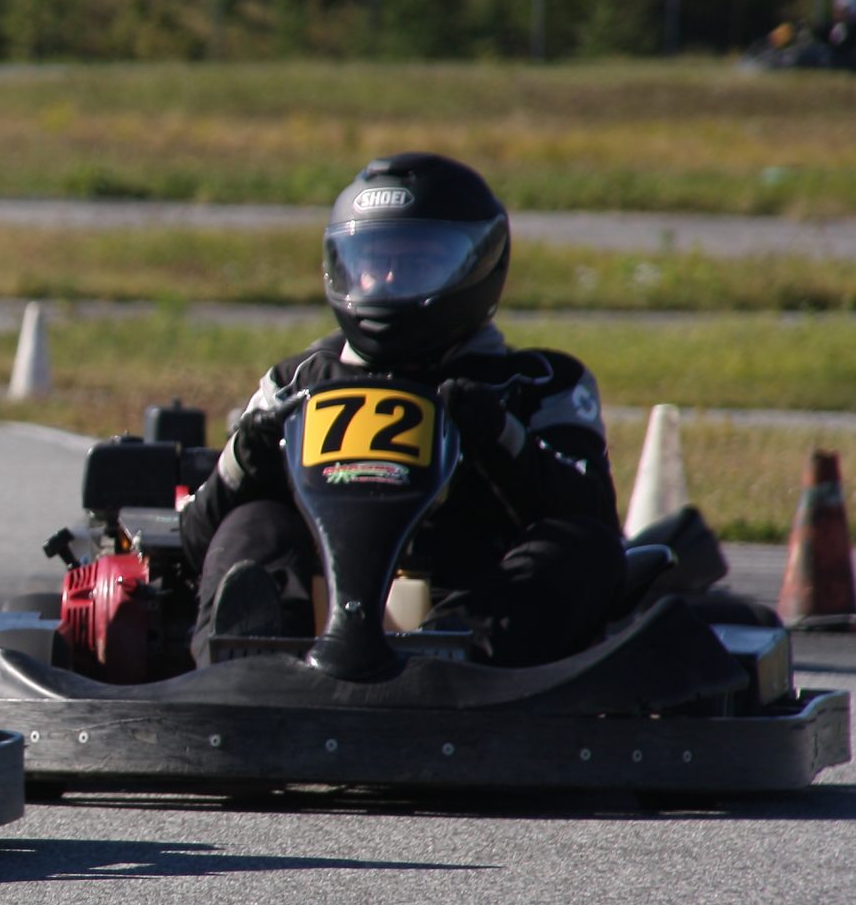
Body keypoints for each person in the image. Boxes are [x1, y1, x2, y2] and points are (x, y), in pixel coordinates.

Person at [177, 152, 624, 667]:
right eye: (372, 262)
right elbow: (195, 540)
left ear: (480, 264)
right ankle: (246, 669)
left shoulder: (537, 383)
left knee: (582, 545)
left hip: (478, 615)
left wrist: (500, 436)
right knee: (254, 522)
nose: (387, 279)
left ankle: (443, 657)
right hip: (310, 628)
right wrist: (245, 455)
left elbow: (592, 514)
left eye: (414, 264)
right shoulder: (296, 382)